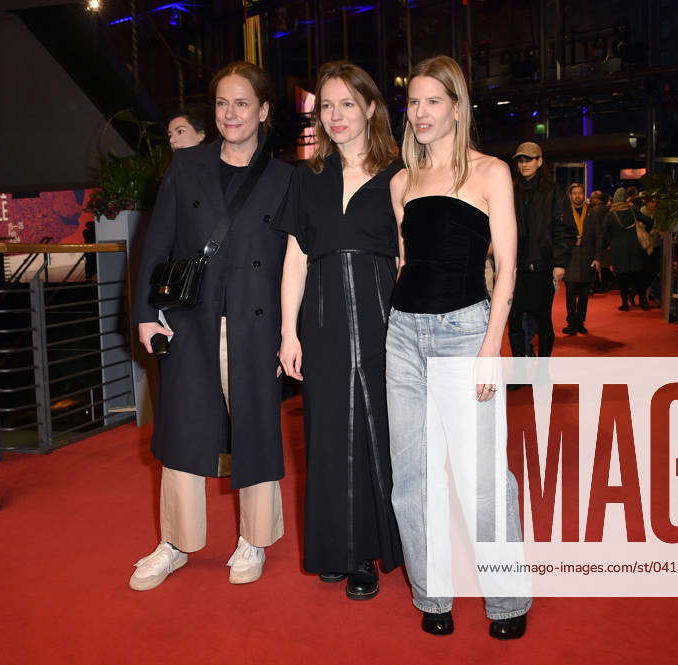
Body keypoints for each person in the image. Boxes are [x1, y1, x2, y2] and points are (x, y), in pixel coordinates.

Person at [129, 61, 293, 590]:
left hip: (256, 324)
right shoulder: (187, 165)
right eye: (222, 103)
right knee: (181, 429)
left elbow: (300, 260)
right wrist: (144, 313)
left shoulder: (287, 178)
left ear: (264, 111)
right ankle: (175, 543)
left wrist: (294, 332)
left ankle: (255, 539)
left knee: (256, 429)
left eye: (242, 103)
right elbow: (156, 244)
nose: (231, 113)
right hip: (190, 321)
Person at [386, 55, 530, 639]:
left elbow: (509, 265)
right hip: (403, 337)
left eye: (432, 102)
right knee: (412, 475)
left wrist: (493, 343)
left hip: (466, 329)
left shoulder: (491, 172)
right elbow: (402, 261)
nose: (420, 113)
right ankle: (431, 592)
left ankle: (506, 600)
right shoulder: (401, 181)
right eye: (414, 103)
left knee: (482, 475)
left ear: (456, 107)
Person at [275, 61, 403, 600]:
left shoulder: (400, 174)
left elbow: (406, 260)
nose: (335, 115)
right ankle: (337, 549)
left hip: (383, 320)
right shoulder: (307, 179)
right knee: (329, 439)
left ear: (371, 107)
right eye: (326, 106)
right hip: (323, 323)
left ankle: (369, 554)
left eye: (347, 103)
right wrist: (288, 333)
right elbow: (295, 259)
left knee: (379, 434)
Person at [507, 141, 574, 358]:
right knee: (514, 320)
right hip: (515, 268)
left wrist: (560, 263)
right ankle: (520, 370)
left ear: (540, 161)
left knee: (543, 320)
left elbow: (562, 228)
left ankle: (542, 372)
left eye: (529, 159)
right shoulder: (511, 189)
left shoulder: (552, 190)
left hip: (542, 266)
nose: (524, 164)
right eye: (521, 160)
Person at [561, 183, 604, 335]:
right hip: (570, 259)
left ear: (583, 195)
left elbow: (599, 237)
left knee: (585, 295)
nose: (577, 196)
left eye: (580, 193)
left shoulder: (592, 213)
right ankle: (571, 323)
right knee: (570, 294)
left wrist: (598, 258)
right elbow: (559, 236)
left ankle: (580, 323)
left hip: (588, 259)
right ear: (570, 196)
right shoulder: (564, 214)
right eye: (574, 193)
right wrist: (573, 240)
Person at [603, 186, 653, 311]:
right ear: (625, 199)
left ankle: (624, 303)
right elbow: (649, 221)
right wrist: (644, 231)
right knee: (638, 275)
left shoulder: (610, 214)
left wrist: (610, 242)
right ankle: (642, 301)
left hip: (618, 249)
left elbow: (603, 232)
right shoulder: (632, 210)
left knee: (622, 277)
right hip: (634, 246)